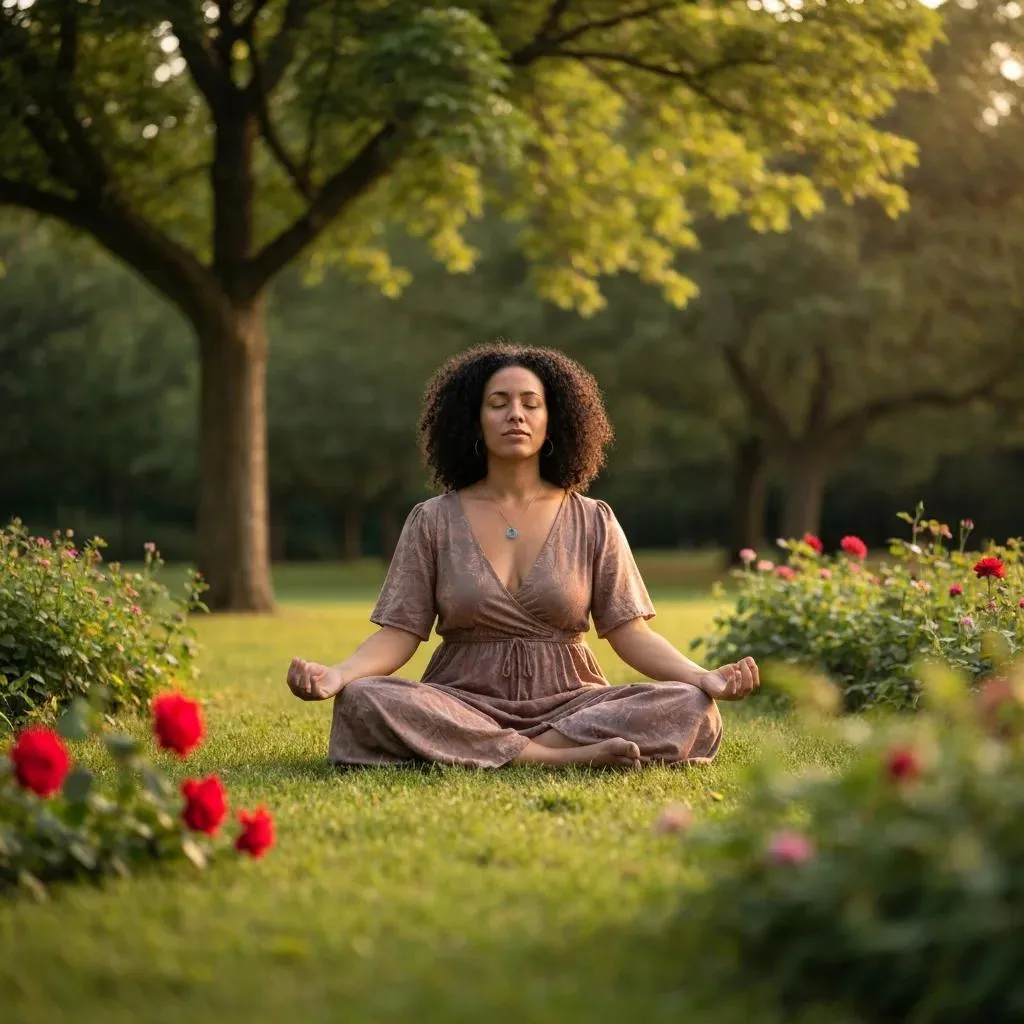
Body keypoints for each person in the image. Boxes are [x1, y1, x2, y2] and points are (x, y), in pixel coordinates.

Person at [286, 342, 759, 769]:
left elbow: (629, 632)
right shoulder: (432, 520)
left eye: (531, 404)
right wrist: (338, 676)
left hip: (573, 706)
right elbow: (399, 634)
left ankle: (514, 749)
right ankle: (551, 758)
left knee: (689, 705)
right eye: (499, 403)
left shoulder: (593, 518)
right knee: (364, 699)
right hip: (460, 701)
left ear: (555, 420)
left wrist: (704, 678)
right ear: (474, 420)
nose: (516, 414)